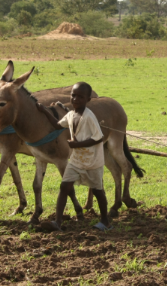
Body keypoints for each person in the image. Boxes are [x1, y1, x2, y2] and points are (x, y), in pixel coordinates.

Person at [35, 81, 110, 231]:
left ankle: (105, 221)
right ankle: (57, 222)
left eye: (80, 97)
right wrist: (44, 111)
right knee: (64, 186)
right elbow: (57, 125)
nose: (75, 99)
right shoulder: (70, 115)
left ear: (88, 100)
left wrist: (77, 145)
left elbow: (98, 138)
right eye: (73, 95)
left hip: (92, 160)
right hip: (76, 160)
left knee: (97, 190)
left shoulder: (89, 117)